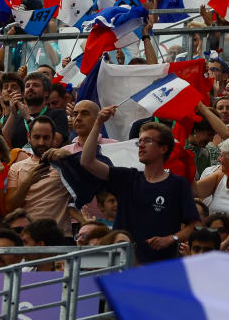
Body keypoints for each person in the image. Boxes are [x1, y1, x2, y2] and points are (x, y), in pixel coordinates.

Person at [80, 108, 199, 268]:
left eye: (148, 141)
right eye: (140, 141)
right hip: (121, 266)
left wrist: (171, 239)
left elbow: (193, 226)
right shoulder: (127, 177)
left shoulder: (178, 184)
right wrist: (98, 123)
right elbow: (87, 162)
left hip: (159, 267)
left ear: (164, 148)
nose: (141, 146)